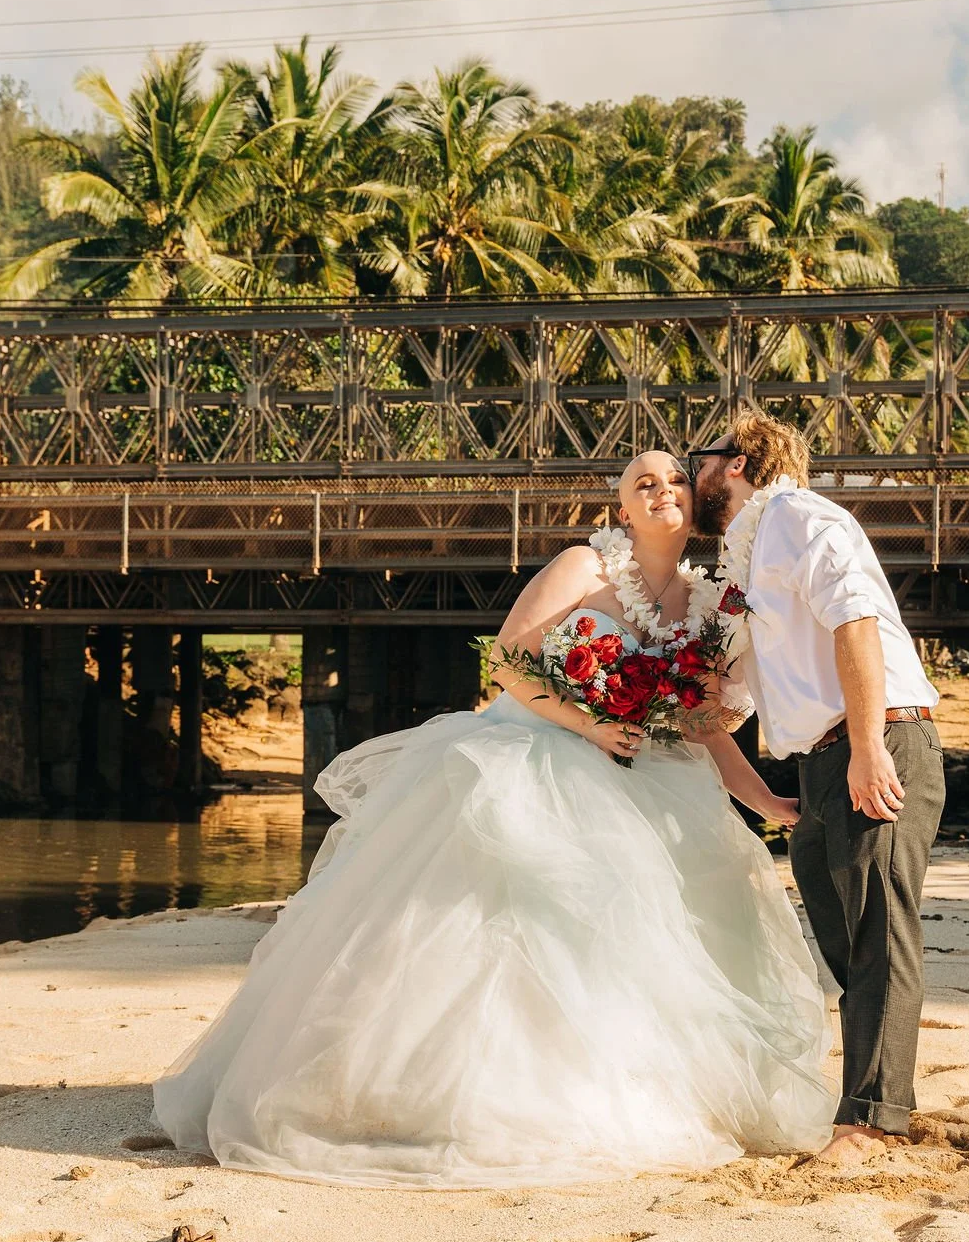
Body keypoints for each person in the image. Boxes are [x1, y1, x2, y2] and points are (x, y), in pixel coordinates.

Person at [152, 450, 837, 1187]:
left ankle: (609, 1086)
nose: (663, 488)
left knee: (645, 933)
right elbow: (507, 661)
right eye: (644, 483)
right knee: (501, 924)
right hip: (542, 749)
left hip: (647, 772)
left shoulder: (705, 606)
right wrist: (591, 727)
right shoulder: (586, 566)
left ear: (691, 506)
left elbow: (702, 722)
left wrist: (761, 798)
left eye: (674, 480)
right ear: (621, 511)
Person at [686, 412, 946, 1163]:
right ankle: (884, 1095)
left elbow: (855, 620)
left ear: (736, 463)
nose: (691, 473)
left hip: (878, 736)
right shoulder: (746, 561)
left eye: (698, 460)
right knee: (843, 932)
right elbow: (731, 699)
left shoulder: (797, 517)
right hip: (819, 762)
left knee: (877, 933)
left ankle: (870, 1122)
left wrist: (868, 747)